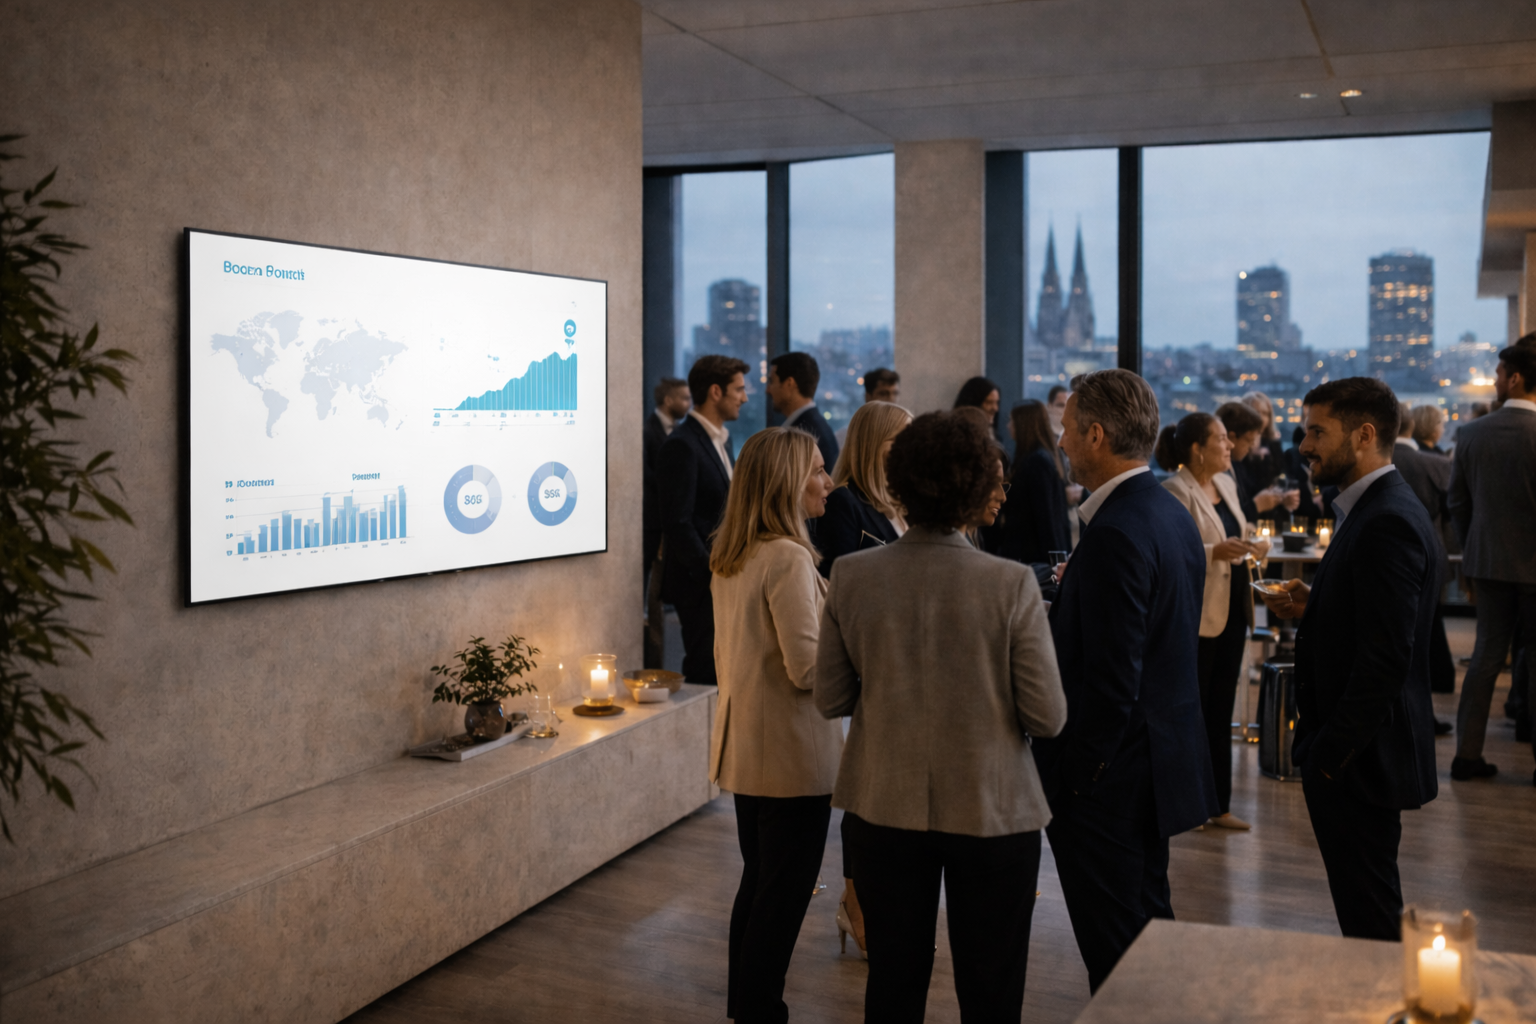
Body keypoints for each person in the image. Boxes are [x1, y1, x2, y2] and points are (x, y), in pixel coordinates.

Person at [815, 411, 1067, 1023]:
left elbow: (830, 697)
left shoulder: (851, 574)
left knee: (895, 985)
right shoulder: (1009, 584)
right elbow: (1047, 715)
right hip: (992, 805)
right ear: (979, 487)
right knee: (992, 985)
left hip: (884, 802)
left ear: (898, 483)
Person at [1033, 369, 1216, 993]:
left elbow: (1113, 680)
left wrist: (1078, 779)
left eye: (1066, 429)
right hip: (1154, 765)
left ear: (1096, 434)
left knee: (1116, 957)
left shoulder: (1115, 531)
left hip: (1113, 782)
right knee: (1145, 934)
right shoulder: (1168, 511)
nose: (1060, 442)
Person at [1259, 377, 1440, 941]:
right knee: (1366, 907)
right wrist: (1318, 605)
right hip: (1359, 757)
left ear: (1363, 436)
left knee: (1370, 919)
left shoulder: (1385, 518)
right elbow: (1377, 619)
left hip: (1361, 762)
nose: (1304, 444)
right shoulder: (1375, 507)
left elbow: (1386, 658)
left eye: (1317, 431)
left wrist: (1329, 755)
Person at [710, 427, 841, 1024]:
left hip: (748, 750)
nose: (828, 482)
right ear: (789, 481)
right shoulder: (787, 557)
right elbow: (807, 668)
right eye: (817, 470)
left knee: (759, 886)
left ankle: (749, 1008)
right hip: (791, 757)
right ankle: (762, 1011)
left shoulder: (733, 553)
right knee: (781, 899)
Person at [814, 398, 911, 957]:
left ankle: (883, 902)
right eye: (898, 442)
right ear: (875, 445)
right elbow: (836, 587)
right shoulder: (846, 504)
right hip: (866, 663)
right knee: (865, 792)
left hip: (905, 665)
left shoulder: (904, 506)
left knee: (889, 796)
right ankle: (855, 902)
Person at [1157, 412, 1267, 831]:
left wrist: (1253, 542)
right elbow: (1173, 551)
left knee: (1220, 711)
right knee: (1195, 711)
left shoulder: (1226, 482)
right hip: (1197, 615)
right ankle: (1190, 804)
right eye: (1220, 439)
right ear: (1197, 449)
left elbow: (1237, 527)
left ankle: (1218, 805)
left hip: (1233, 611)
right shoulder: (1174, 490)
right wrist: (1215, 553)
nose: (1229, 445)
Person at [1446, 337, 1536, 784]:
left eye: (1499, 374)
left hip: (1488, 561)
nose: (1495, 381)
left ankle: (1467, 755)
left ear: (1515, 378)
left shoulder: (1471, 433)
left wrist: (1471, 548)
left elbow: (1457, 503)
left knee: (1485, 657)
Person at [658, 354, 749, 686]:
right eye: (738, 389)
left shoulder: (722, 440)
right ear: (715, 392)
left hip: (720, 577)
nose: (745, 397)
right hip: (700, 583)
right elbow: (677, 521)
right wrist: (711, 571)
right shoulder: (682, 444)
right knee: (705, 670)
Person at [1392, 404, 1458, 714]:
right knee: (1428, 631)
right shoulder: (1436, 464)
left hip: (1388, 562)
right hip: (1431, 556)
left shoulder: (1379, 464)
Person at [643, 377, 691, 668]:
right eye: (684, 398)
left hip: (668, 524)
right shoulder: (647, 432)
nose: (688, 403)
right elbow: (650, 480)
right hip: (652, 525)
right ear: (668, 400)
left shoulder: (680, 433)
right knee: (650, 592)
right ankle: (652, 660)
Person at [998, 400, 1072, 565]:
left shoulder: (1037, 462)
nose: (1009, 426)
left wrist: (1055, 564)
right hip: (1035, 556)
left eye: (1012, 421)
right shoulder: (1041, 457)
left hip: (1032, 557)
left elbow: (1045, 517)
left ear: (1024, 424)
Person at [1217, 401, 1299, 523]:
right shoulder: (1221, 470)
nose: (1251, 447)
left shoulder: (1236, 466)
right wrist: (1256, 505)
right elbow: (1224, 522)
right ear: (1232, 436)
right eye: (1249, 440)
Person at [766, 351, 839, 471]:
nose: (768, 390)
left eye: (771, 381)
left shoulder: (804, 433)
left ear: (789, 384)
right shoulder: (817, 426)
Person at [835, 367, 901, 449]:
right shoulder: (847, 435)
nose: (891, 399)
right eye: (883, 393)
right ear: (868, 396)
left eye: (895, 393)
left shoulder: (904, 432)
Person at [1240, 391, 1283, 491]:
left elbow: (1281, 474)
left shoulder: (1273, 443)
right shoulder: (1236, 444)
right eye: (1256, 411)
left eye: (1265, 413)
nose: (1260, 417)